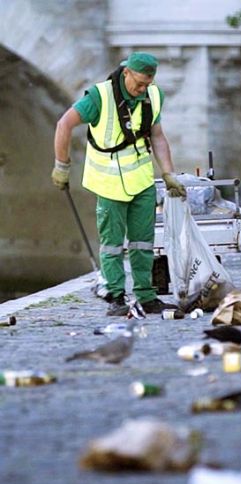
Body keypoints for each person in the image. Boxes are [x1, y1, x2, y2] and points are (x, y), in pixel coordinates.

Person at [52, 52, 186, 315]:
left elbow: (157, 136)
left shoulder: (153, 95)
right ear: (126, 73)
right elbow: (63, 125)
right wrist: (61, 165)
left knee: (143, 243)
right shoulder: (99, 97)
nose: (143, 89)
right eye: (139, 84)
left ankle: (146, 297)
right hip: (109, 182)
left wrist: (169, 174)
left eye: (148, 84)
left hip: (141, 181)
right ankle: (115, 297)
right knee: (112, 244)